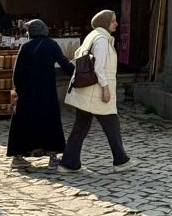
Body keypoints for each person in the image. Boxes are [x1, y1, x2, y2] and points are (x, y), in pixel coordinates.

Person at [59, 9, 135, 173]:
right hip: (96, 92)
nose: (116, 23)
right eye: (113, 20)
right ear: (105, 22)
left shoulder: (94, 36)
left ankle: (69, 163)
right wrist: (106, 89)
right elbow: (99, 67)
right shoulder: (101, 39)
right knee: (111, 125)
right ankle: (121, 160)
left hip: (88, 91)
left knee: (81, 127)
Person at [7, 19, 74, 168]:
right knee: (50, 122)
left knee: (23, 123)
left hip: (27, 92)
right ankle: (52, 157)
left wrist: (18, 89)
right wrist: (77, 74)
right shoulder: (51, 45)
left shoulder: (25, 46)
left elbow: (17, 72)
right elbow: (65, 64)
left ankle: (17, 157)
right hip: (47, 92)